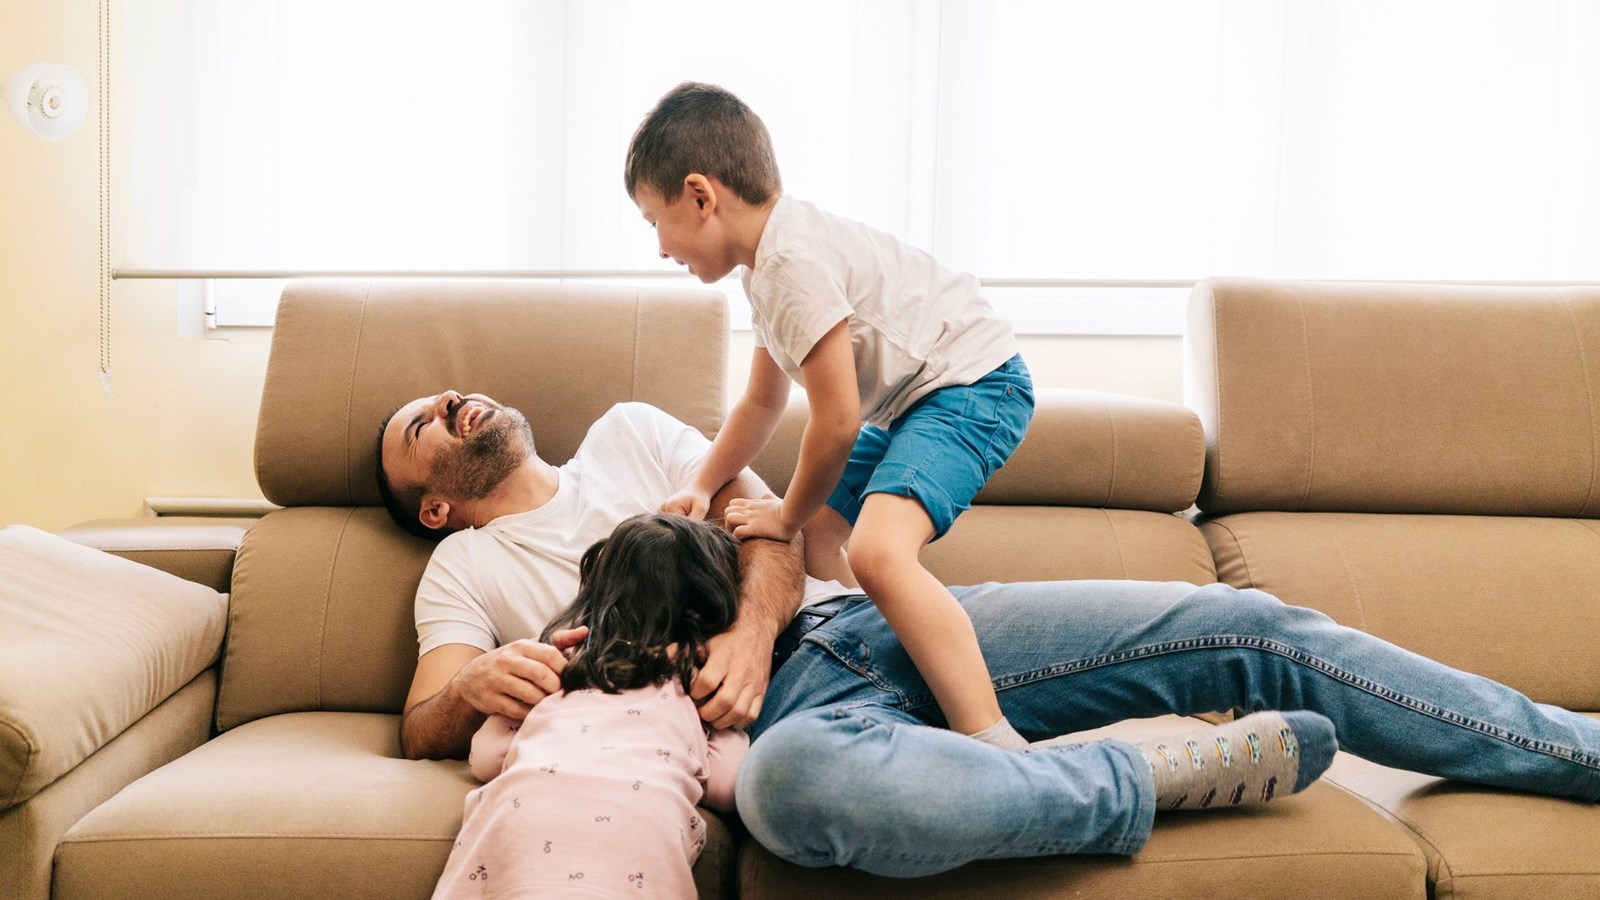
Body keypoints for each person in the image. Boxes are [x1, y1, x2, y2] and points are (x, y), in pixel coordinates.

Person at [380, 391, 1600, 877]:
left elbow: (773, 534)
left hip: (860, 635)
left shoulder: (636, 437)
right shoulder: (465, 567)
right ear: (432, 499)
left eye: (448, 393)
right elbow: (425, 715)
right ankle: (1143, 772)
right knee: (797, 798)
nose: (450, 400)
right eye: (418, 427)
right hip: (788, 741)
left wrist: (754, 636)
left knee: (1251, 627)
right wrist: (478, 683)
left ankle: (1577, 753)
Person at [629, 82, 1034, 747]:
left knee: (874, 549)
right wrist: (703, 484)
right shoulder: (768, 271)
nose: (660, 248)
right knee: (820, 534)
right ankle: (873, 664)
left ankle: (990, 735)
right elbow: (763, 401)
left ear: (701, 197)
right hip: (919, 397)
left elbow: (839, 420)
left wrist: (782, 513)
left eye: (654, 221)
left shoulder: (790, 263)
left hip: (974, 384)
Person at [433, 512, 749, 900]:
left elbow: (485, 757)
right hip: (634, 835)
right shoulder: (692, 686)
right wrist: (725, 727)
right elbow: (727, 785)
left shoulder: (557, 670)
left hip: (520, 824)